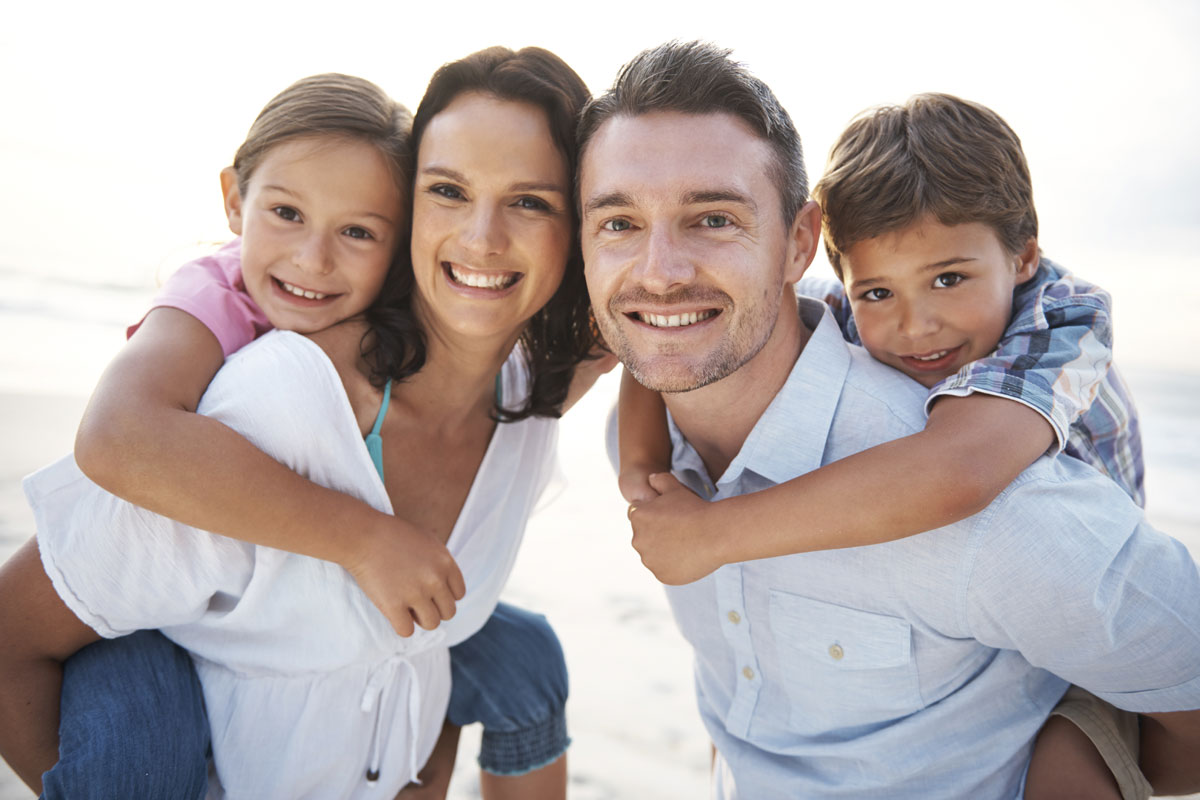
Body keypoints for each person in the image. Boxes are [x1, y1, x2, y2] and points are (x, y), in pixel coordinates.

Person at [580, 40, 1200, 798]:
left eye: (711, 218)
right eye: (618, 224)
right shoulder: (678, 399)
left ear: (795, 244)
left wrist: (1088, 761)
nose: (661, 272)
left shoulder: (1008, 488)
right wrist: (639, 476)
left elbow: (961, 475)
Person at [0, 48, 605, 799]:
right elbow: (113, 448)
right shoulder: (265, 406)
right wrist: (359, 536)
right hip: (172, 705)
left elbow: (649, 312)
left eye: (532, 201)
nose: (482, 237)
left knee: (523, 656)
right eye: (449, 190)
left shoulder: (521, 392)